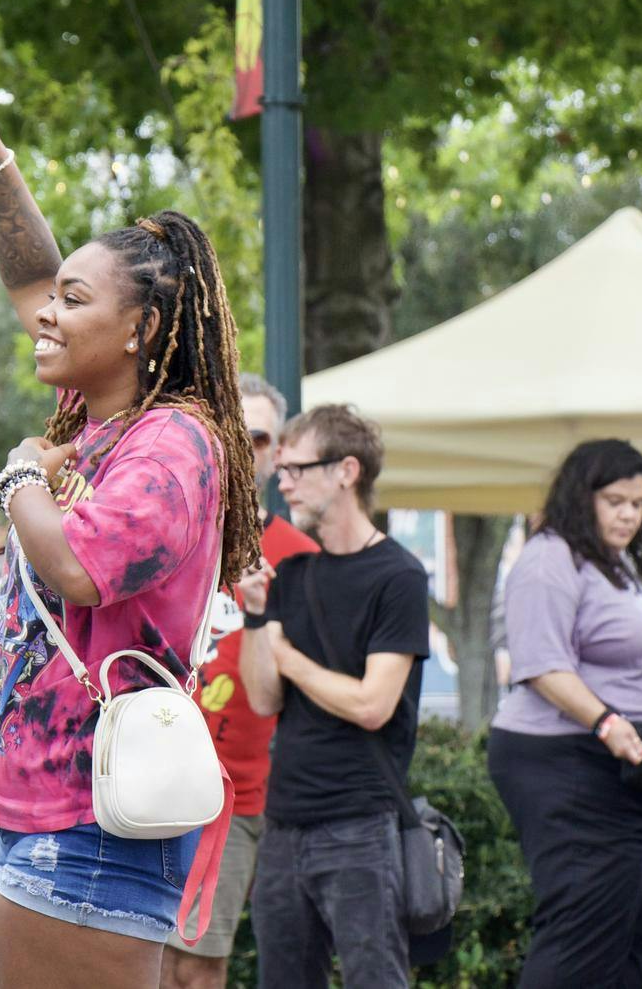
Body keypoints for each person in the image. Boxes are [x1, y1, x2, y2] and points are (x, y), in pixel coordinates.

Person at [0, 39, 263, 988]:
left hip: (86, 837)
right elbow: (30, 272)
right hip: (41, 828)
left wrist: (21, 472)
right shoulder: (100, 418)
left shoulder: (174, 446)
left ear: (142, 329)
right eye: (54, 301)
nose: (48, 316)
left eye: (76, 301)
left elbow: (77, 565)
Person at [487, 438, 642, 989]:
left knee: (630, 927)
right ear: (582, 498)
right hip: (570, 762)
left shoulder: (616, 563)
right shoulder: (549, 557)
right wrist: (608, 722)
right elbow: (540, 664)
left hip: (630, 773)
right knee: (584, 928)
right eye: (615, 500)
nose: (629, 513)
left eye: (638, 502)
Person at [237, 403, 430, 989]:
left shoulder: (398, 576)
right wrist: (253, 619)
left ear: (346, 471)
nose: (283, 479)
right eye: (284, 468)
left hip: (360, 824)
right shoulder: (292, 575)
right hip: (285, 822)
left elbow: (374, 704)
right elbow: (264, 699)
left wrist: (289, 657)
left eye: (298, 467)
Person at [159, 374, 318, 988]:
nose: (242, 447)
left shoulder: (299, 556)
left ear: (276, 453)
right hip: (140, 778)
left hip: (232, 794)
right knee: (131, 960)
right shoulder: (164, 528)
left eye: (258, 437)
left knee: (197, 968)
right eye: (232, 431)